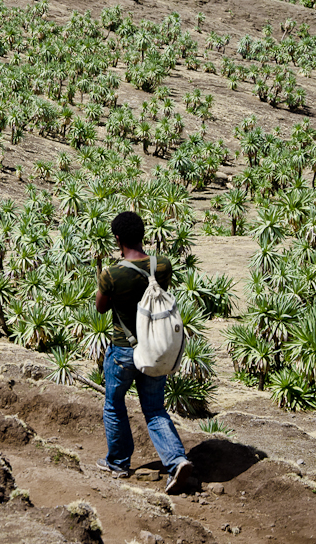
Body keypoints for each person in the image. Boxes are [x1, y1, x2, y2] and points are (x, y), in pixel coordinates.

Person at [94, 210, 193, 493]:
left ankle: (118, 463)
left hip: (124, 350)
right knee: (154, 408)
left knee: (114, 405)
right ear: (142, 235)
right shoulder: (161, 266)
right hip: (153, 350)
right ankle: (176, 460)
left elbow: (101, 307)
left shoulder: (111, 274)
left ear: (117, 238)